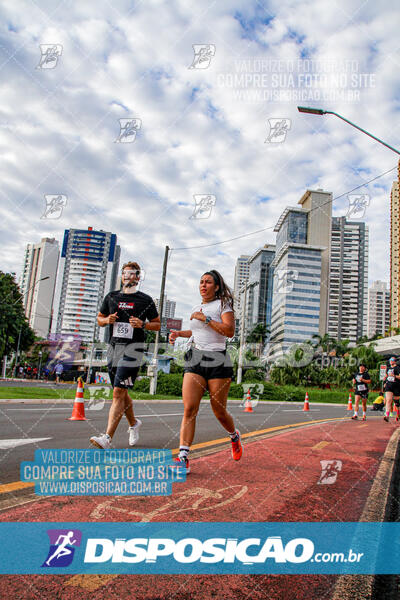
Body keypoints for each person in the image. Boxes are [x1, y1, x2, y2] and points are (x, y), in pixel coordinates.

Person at [169, 270, 242, 474]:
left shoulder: (223, 305)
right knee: (190, 408)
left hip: (218, 360)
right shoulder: (196, 307)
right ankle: (183, 457)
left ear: (216, 286)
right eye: (201, 281)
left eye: (208, 282)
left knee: (219, 411)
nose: (203, 285)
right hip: (196, 358)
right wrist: (179, 334)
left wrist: (207, 319)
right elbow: (197, 331)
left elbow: (229, 331)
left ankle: (234, 436)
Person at [90, 262, 160, 449]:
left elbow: (157, 324)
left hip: (134, 349)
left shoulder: (145, 300)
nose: (127, 276)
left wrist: (142, 324)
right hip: (114, 348)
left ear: (137, 278)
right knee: (121, 390)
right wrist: (106, 320)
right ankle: (134, 423)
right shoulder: (111, 297)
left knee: (118, 392)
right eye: (124, 273)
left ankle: (107, 437)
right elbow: (99, 318)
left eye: (131, 274)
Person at [383, 356, 400, 422]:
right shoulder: (388, 368)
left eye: (392, 360)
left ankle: (398, 413)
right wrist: (385, 380)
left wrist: (394, 376)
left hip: (396, 386)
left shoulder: (398, 368)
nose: (390, 361)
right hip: (389, 385)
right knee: (389, 400)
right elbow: (387, 376)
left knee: (396, 402)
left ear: (395, 361)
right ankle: (387, 415)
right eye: (390, 360)